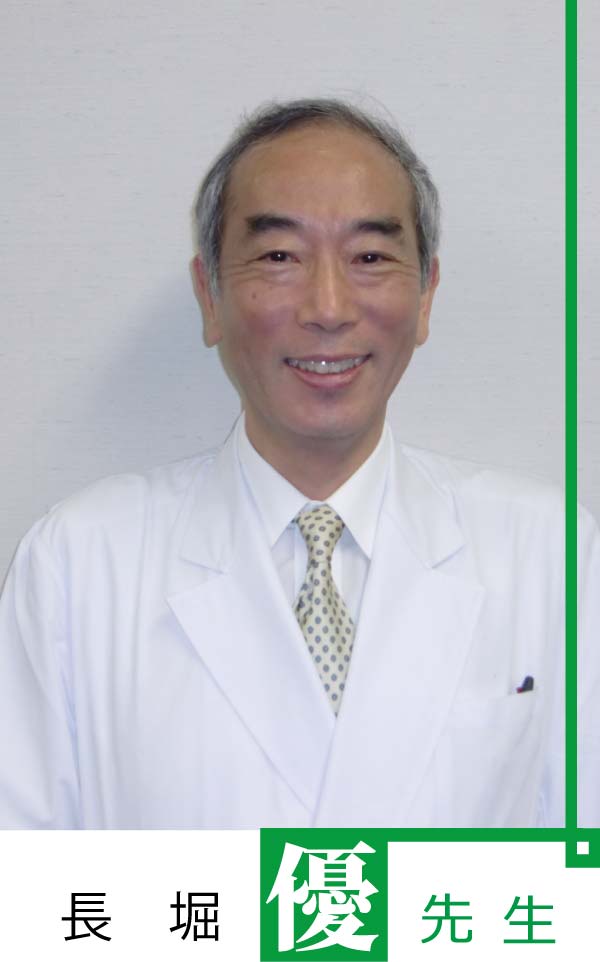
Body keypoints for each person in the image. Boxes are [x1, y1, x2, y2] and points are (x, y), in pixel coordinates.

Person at [0, 98, 598, 829]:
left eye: (370, 257)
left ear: (426, 296)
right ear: (210, 296)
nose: (328, 306)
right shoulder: (78, 562)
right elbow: (25, 875)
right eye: (279, 256)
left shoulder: (549, 553)